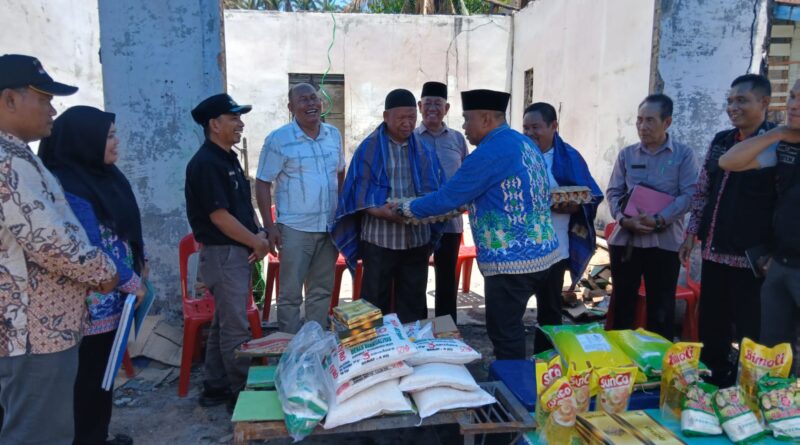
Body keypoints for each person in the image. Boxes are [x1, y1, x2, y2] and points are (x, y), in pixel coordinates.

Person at [0, 54, 118, 445]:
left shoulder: (20, 157)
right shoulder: (7, 165)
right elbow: (54, 243)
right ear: (9, 101)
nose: (53, 109)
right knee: (39, 433)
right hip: (35, 332)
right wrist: (108, 273)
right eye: (44, 98)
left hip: (38, 327)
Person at [399, 89, 561, 359]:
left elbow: (448, 197)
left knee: (505, 333)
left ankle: (512, 392)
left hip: (511, 262)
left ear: (486, 119)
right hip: (546, 254)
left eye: (467, 119)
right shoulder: (523, 143)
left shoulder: (488, 153)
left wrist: (404, 208)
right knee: (544, 330)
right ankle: (543, 383)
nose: (463, 126)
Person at [39, 106, 146, 445]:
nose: (116, 143)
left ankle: (97, 436)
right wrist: (131, 280)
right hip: (86, 309)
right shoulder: (67, 186)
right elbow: (91, 246)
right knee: (86, 383)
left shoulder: (105, 176)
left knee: (101, 379)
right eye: (109, 136)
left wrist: (139, 263)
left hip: (114, 302)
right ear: (85, 142)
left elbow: (124, 230)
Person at [680, 74, 775, 387]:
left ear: (764, 103)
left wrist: (774, 251)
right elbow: (703, 190)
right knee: (713, 326)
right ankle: (712, 384)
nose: (733, 107)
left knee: (751, 330)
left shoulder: (778, 146)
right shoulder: (722, 140)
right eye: (730, 100)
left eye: (742, 100)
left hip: (752, 259)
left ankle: (748, 391)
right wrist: (692, 233)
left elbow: (784, 202)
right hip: (714, 251)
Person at [185, 93, 270, 409]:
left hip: (234, 253)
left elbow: (240, 208)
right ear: (214, 124)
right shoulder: (206, 163)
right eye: (233, 118)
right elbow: (219, 217)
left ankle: (215, 385)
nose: (240, 124)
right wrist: (255, 241)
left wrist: (258, 232)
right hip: (223, 254)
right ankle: (244, 395)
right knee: (236, 327)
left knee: (223, 322)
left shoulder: (225, 158)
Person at [332, 89, 445, 323]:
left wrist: (427, 208)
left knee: (413, 300)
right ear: (386, 116)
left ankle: (410, 350)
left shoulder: (423, 148)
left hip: (416, 237)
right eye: (401, 118)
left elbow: (436, 188)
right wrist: (381, 212)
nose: (407, 123)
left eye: (412, 117)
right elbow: (357, 195)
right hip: (380, 239)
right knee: (375, 300)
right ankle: (376, 352)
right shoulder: (369, 148)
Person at [605, 94, 698, 340]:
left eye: (650, 120)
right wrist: (624, 220)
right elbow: (613, 192)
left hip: (664, 243)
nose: (642, 127)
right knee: (623, 304)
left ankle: (658, 364)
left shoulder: (683, 155)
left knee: (661, 308)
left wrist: (659, 219)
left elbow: (690, 195)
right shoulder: (627, 155)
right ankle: (619, 363)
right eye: (639, 120)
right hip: (627, 241)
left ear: (667, 122)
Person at [718, 78, 800, 354]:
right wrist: (775, 134)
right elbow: (728, 162)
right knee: (772, 354)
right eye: (791, 96)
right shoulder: (785, 146)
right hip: (781, 266)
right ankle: (774, 398)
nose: (793, 105)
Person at [255, 83, 344, 333]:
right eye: (303, 100)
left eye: (314, 98)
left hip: (328, 228)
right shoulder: (279, 139)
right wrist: (270, 226)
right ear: (291, 107)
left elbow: (340, 173)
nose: (311, 104)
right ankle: (289, 349)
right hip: (294, 229)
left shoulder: (333, 135)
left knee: (320, 292)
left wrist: (341, 212)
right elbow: (262, 183)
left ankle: (313, 346)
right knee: (290, 295)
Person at [522, 102, 604, 327]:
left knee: (550, 308)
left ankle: (547, 357)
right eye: (525, 128)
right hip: (522, 246)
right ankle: (513, 360)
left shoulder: (569, 157)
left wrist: (575, 206)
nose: (529, 133)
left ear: (553, 126)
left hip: (555, 247)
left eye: (535, 127)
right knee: (513, 307)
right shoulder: (517, 157)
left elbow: (591, 194)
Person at [414, 81, 468, 321]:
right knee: (415, 278)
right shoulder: (411, 138)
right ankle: (420, 329)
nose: (432, 108)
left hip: (451, 223)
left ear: (446, 108)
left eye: (438, 104)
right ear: (419, 106)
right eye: (428, 104)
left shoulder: (457, 139)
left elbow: (468, 175)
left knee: (447, 279)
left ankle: (446, 332)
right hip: (419, 222)